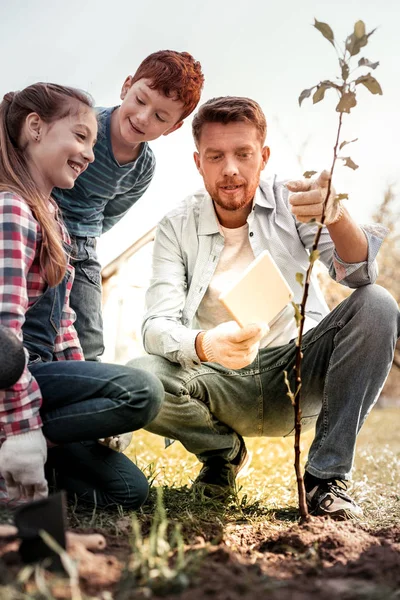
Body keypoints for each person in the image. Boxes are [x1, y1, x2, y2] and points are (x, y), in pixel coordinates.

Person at [128, 96, 400, 519]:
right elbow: (156, 324)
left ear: (264, 156)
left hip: (297, 372)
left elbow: (361, 275)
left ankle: (324, 478)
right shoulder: (176, 226)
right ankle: (223, 456)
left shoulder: (297, 202)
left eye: (243, 154)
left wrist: (337, 215)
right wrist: (206, 345)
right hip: (217, 380)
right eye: (216, 156)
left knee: (379, 303)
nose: (230, 169)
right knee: (140, 376)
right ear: (198, 162)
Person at [0, 83, 163, 510]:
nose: (90, 154)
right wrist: (22, 433)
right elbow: (3, 340)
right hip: (12, 382)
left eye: (92, 142)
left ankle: (30, 463)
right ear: (35, 128)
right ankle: (13, 445)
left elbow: (64, 326)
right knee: (143, 392)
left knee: (127, 491)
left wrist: (86, 402)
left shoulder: (53, 216)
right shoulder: (12, 209)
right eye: (80, 136)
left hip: (41, 377)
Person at [53, 50, 204, 361]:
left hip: (81, 245)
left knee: (90, 341)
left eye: (161, 117)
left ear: (172, 128)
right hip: (40, 219)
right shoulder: (82, 124)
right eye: (140, 100)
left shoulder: (143, 168)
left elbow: (110, 216)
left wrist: (82, 236)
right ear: (126, 87)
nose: (142, 117)